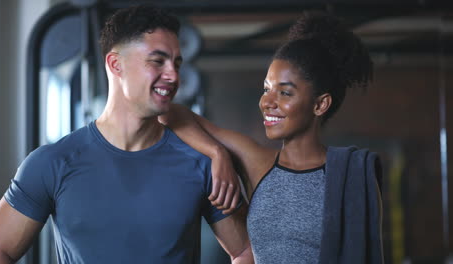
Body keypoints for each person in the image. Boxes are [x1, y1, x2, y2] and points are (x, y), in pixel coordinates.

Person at [0, 5, 253, 264]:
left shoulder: (201, 163)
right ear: (115, 64)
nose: (173, 75)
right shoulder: (51, 163)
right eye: (158, 61)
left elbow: (245, 251)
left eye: (177, 64)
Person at [160, 11, 383, 263]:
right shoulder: (258, 163)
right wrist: (217, 152)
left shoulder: (352, 176)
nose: (267, 102)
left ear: (320, 105)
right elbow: (170, 113)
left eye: (285, 93)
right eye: (267, 89)